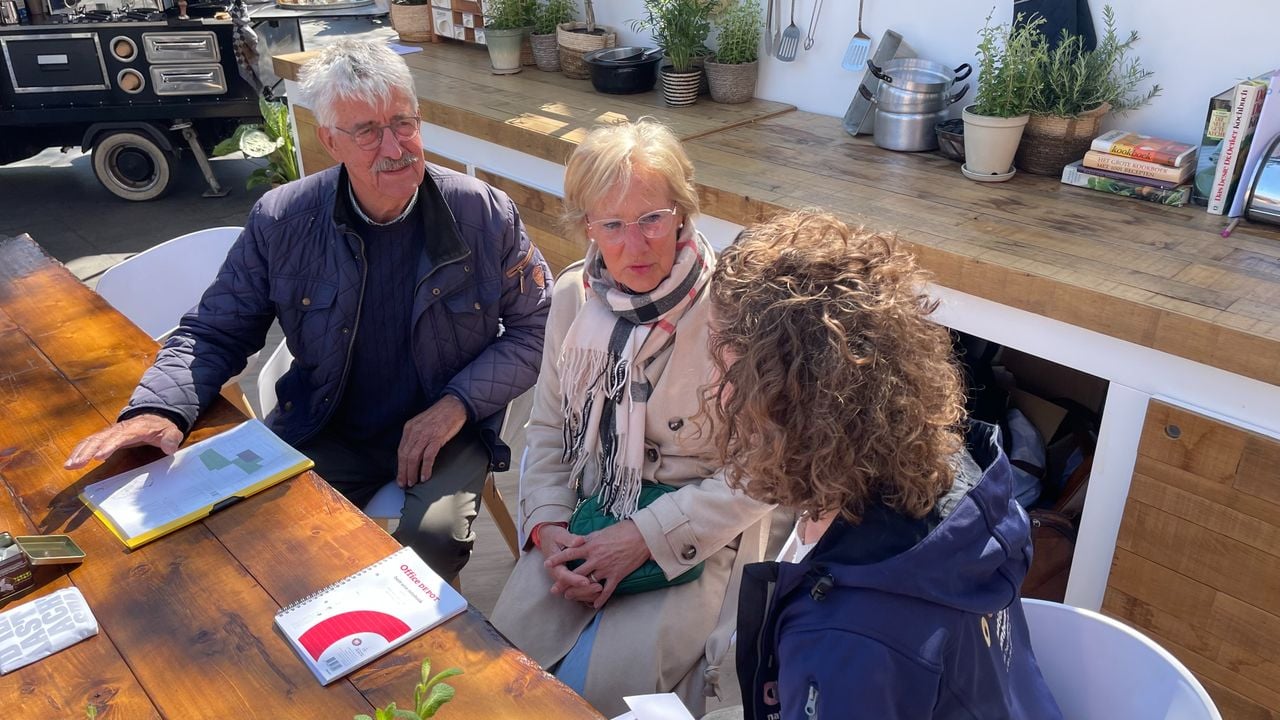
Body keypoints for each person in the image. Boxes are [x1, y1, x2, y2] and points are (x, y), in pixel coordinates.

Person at [63, 39, 551, 583]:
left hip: (446, 430)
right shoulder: (284, 219)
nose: (394, 146)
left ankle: (426, 659)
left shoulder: (482, 213)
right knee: (266, 544)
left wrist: (458, 405)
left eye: (403, 122)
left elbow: (537, 327)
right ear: (329, 141)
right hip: (328, 421)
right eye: (366, 131)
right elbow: (215, 330)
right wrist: (160, 410)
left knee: (431, 553)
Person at [706, 212, 1064, 719]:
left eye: (722, 358)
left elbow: (851, 663)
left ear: (778, 395)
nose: (716, 385)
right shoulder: (952, 473)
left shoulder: (844, 638)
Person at [489, 120, 773, 717]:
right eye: (611, 224)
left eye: (651, 219)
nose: (634, 245)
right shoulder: (572, 297)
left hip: (694, 536)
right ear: (587, 226)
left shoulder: (737, 313)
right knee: (500, 673)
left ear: (682, 215)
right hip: (587, 516)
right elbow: (546, 431)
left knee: (606, 694)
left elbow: (765, 474)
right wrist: (549, 530)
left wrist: (643, 538)